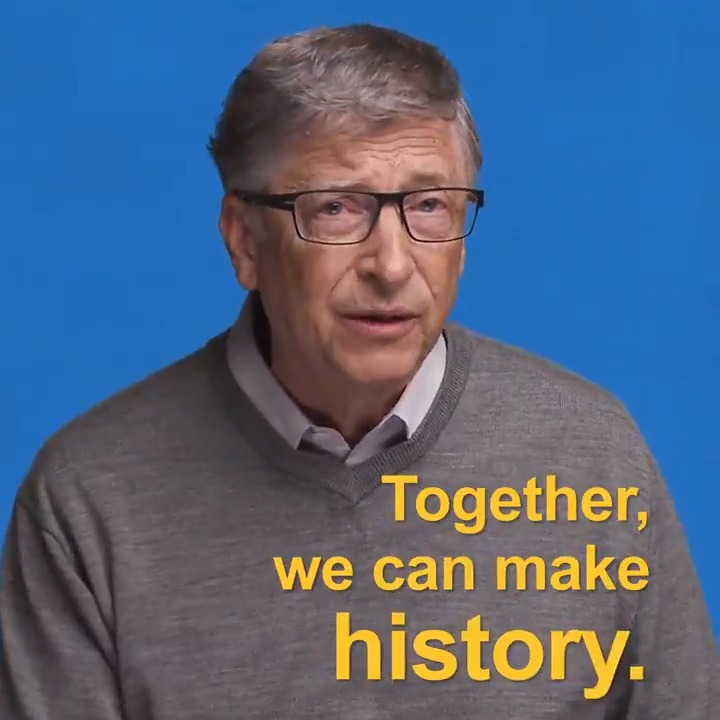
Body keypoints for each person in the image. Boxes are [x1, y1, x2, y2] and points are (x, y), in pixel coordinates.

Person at [0, 23, 716, 720]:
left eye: (429, 206)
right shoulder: (89, 499)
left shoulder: (594, 456)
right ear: (244, 241)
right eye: (337, 208)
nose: (392, 265)